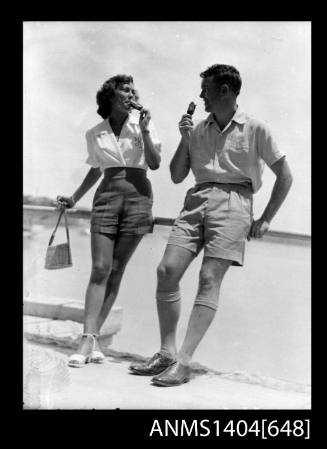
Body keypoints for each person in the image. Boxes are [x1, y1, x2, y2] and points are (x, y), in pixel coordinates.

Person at [129, 64, 293, 386]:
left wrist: (266, 219)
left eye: (206, 89)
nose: (200, 95)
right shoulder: (198, 130)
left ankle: (184, 362)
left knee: (208, 279)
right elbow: (177, 175)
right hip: (196, 199)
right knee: (166, 271)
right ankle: (166, 352)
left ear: (224, 91)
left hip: (235, 202)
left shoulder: (256, 128)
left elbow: (285, 176)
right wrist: (184, 137)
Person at [57, 74, 161, 367]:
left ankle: (94, 338)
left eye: (133, 90)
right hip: (106, 199)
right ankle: (87, 338)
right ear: (110, 97)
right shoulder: (95, 133)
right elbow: (96, 169)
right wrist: (75, 198)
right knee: (100, 267)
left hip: (139, 198)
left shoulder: (144, 125)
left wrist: (145, 130)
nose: (131, 94)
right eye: (124, 90)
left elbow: (154, 163)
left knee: (116, 269)